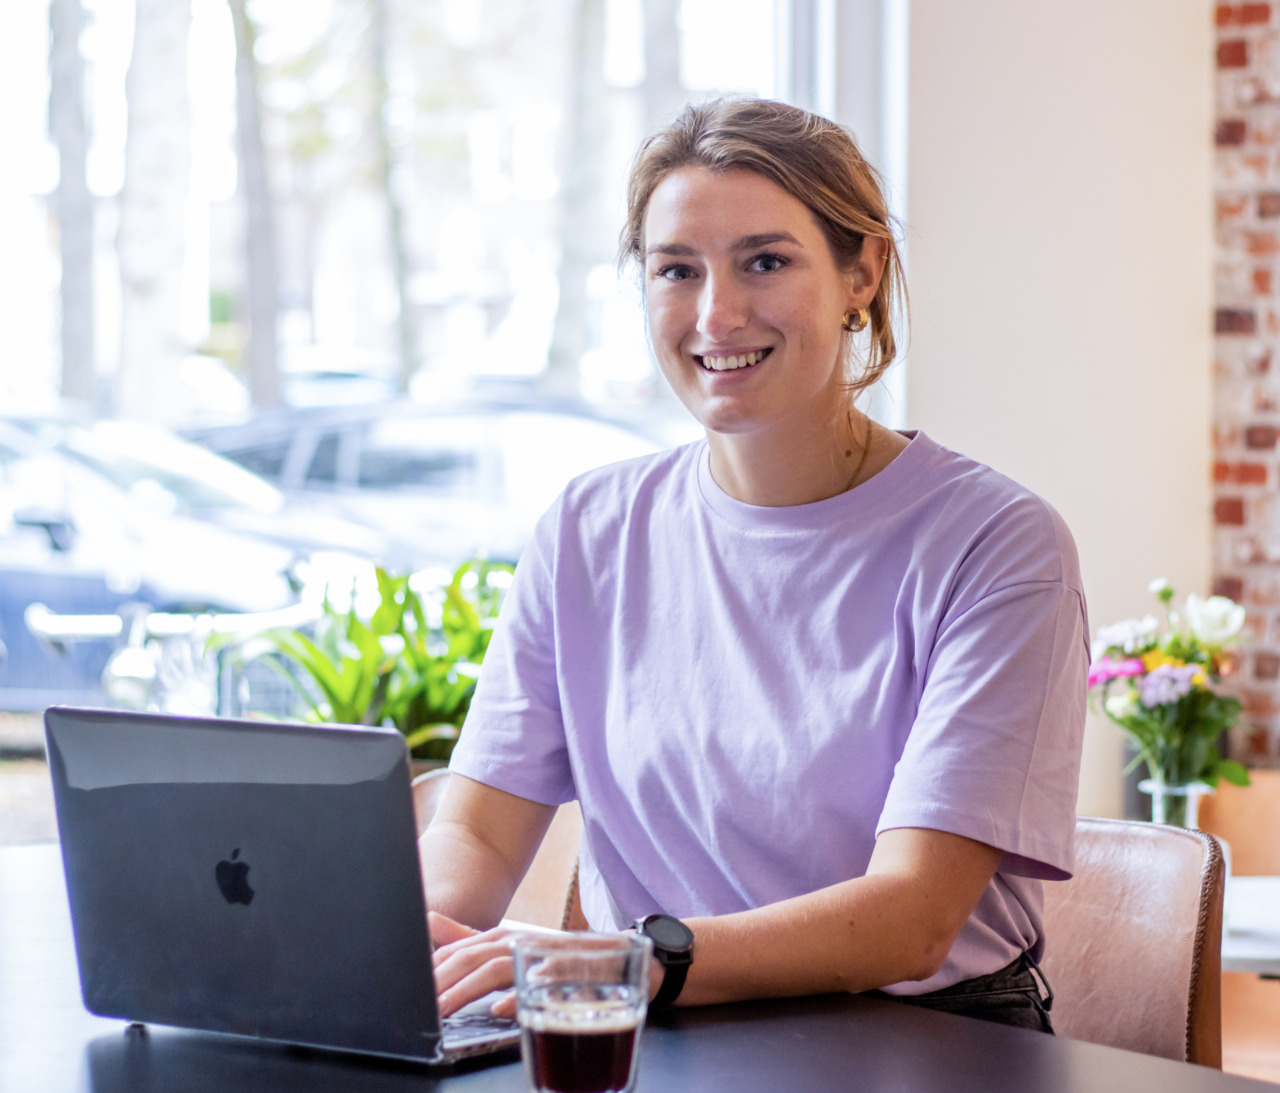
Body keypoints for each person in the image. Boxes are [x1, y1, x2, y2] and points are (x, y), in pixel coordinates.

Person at [421, 97, 1088, 1034]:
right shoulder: (586, 529)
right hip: (658, 1024)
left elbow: (912, 917)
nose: (716, 314)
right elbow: (478, 829)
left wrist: (635, 959)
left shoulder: (997, 544)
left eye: (765, 262)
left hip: (926, 1039)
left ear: (863, 272)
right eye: (676, 269)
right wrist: (426, 935)